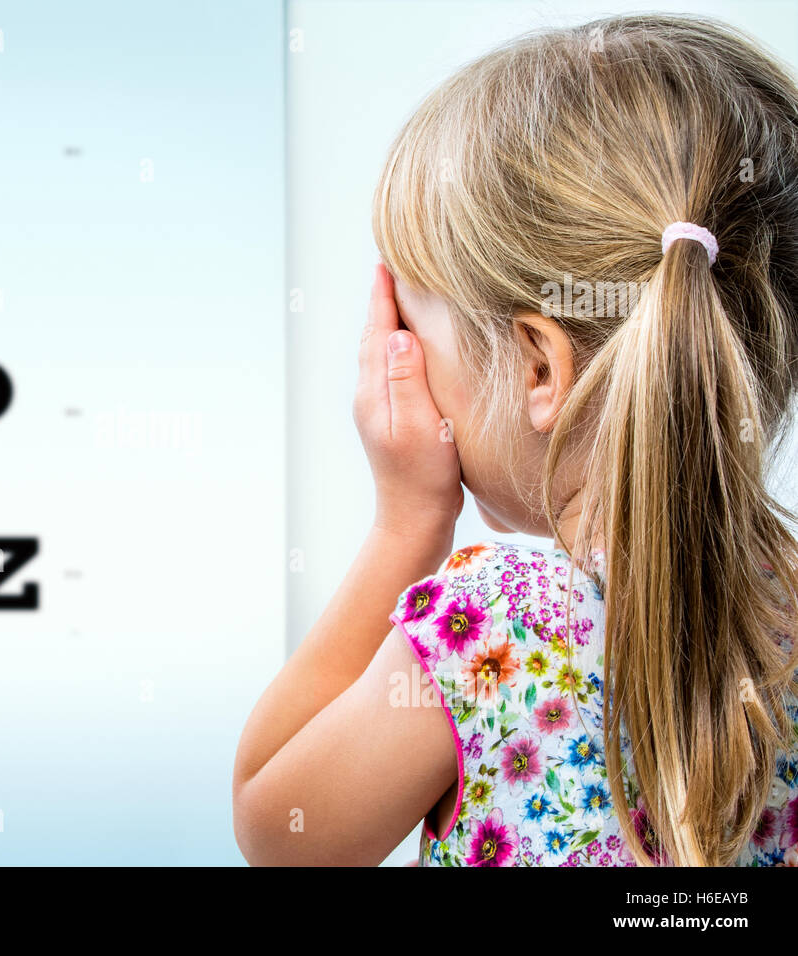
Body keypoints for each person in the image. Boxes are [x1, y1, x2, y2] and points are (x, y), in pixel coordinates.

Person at [233, 13, 798, 866]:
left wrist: (407, 521)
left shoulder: (495, 627)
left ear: (540, 368)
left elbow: (278, 830)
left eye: (413, 323)